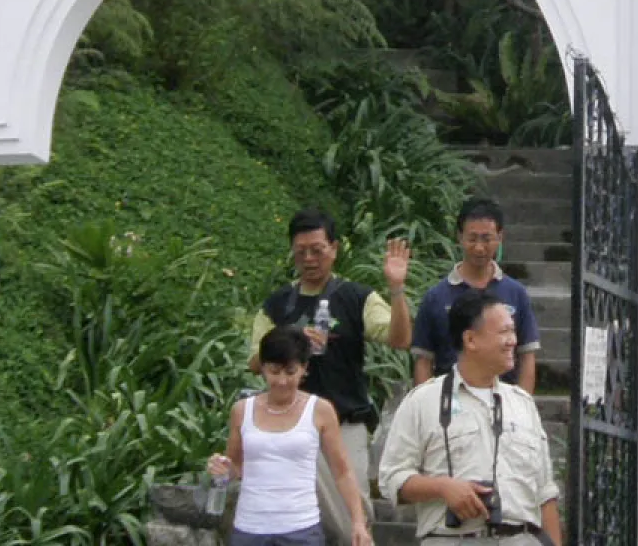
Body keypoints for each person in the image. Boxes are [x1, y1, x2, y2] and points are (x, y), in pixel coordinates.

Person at [254, 208, 412, 544]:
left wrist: (396, 290)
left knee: (352, 518)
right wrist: (291, 341)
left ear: (334, 249)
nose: (309, 259)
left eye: (317, 250)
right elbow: (254, 361)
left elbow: (400, 339)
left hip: (345, 423)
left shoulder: (356, 297)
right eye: (301, 252)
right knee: (296, 517)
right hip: (291, 428)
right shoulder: (277, 304)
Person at [379, 288, 562, 545]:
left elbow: (545, 494)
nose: (512, 340)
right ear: (471, 340)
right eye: (503, 332)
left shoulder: (522, 404)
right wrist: (444, 488)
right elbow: (392, 480)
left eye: (513, 330)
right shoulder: (423, 401)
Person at [209, 326, 373, 546]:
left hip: (301, 527)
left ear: (304, 369)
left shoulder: (320, 410)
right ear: (263, 369)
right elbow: (236, 467)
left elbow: (342, 471)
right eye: (274, 372)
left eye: (290, 372)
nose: (282, 381)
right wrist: (221, 468)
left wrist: (358, 522)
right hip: (250, 527)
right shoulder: (242, 410)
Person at [411, 197, 541, 393]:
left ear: (500, 237)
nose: (479, 247)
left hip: (503, 403)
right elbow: (424, 360)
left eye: (486, 238)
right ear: (460, 237)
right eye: (472, 239)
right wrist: (427, 407)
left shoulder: (516, 293)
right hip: (450, 403)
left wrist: (523, 406)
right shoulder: (436, 297)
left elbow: (527, 355)